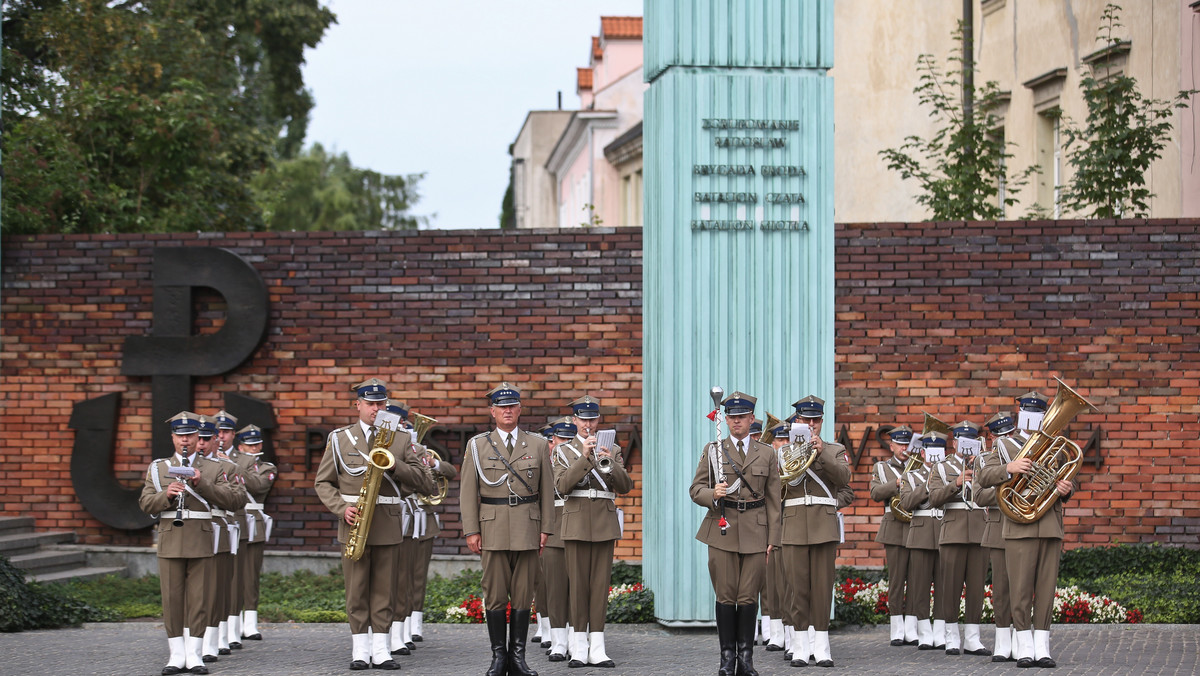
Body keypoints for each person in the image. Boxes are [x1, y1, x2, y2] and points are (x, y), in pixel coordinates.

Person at [314, 378, 436, 671]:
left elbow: (426, 482)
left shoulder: (401, 438)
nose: (376, 409)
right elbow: (323, 482)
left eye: (381, 403)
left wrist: (395, 465)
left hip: (388, 522)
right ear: (357, 405)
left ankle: (381, 649)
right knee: (356, 589)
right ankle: (360, 649)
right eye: (370, 404)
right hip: (354, 522)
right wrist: (341, 509)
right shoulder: (340, 438)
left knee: (385, 589)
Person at [460, 382, 555, 676]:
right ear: (493, 411)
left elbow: (547, 491)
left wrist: (546, 528)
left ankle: (518, 659)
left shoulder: (537, 444)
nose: (507, 411)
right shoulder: (477, 445)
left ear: (520, 409)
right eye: (502, 407)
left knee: (524, 595)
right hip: (492, 528)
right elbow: (467, 491)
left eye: (512, 406)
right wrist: (471, 530)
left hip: (528, 526)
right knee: (496, 594)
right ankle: (498, 658)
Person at [139, 411, 242, 676]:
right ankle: (176, 654)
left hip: (201, 538)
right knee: (172, 599)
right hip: (171, 539)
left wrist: (201, 482)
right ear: (172, 438)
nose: (185, 441)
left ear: (199, 438)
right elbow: (145, 503)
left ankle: (195, 654)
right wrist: (167, 495)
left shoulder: (215, 467)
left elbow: (233, 501)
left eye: (190, 436)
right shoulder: (158, 467)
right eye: (179, 436)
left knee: (200, 599)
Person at [979, 392, 1075, 668]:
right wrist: (1009, 468)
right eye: (1029, 411)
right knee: (1019, 589)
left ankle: (1042, 647)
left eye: (1040, 412)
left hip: (1049, 524)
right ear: (1021, 413)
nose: (1035, 416)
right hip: (1019, 524)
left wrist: (1066, 489)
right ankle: (1023, 646)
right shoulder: (1004, 445)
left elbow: (1067, 476)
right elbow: (983, 477)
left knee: (1046, 589)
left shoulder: (1056, 444)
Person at [689, 391, 781, 676]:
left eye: (742, 416)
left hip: (756, 530)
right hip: (722, 529)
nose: (736, 421)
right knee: (726, 596)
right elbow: (696, 489)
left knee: (749, 596)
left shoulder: (766, 453)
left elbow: (774, 501)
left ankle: (746, 659)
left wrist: (773, 539)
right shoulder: (714, 449)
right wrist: (712, 494)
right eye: (731, 417)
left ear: (752, 419)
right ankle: (727, 659)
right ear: (725, 419)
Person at [553, 394, 634, 668]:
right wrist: (585, 457)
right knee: (577, 586)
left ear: (598, 420)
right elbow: (562, 486)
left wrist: (608, 460)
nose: (588, 424)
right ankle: (578, 647)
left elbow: (625, 487)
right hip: (575, 522)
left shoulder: (613, 449)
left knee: (599, 586)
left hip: (604, 522)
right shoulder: (562, 452)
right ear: (574, 421)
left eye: (593, 419)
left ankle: (597, 647)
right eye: (583, 419)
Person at [778, 395, 850, 668]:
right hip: (794, 523)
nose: (811, 424)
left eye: (815, 420)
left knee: (822, 587)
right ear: (797, 422)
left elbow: (843, 480)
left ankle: (822, 646)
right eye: (806, 420)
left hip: (824, 523)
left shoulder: (835, 449)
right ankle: (799, 647)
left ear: (821, 422)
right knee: (797, 588)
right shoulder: (783, 452)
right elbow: (777, 490)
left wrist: (821, 453)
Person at [927, 420, 989, 656]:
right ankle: (951, 636)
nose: (966, 446)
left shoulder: (984, 464)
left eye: (971, 441)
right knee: (950, 586)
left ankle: (973, 638)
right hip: (952, 530)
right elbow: (933, 498)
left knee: (976, 587)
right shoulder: (941, 467)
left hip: (979, 531)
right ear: (954, 443)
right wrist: (956, 483)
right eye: (962, 441)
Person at [196, 415, 246, 664]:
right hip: (191, 531)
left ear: (217, 440)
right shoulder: (177, 465)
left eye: (206, 439)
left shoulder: (229, 468)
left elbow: (236, 500)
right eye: (199, 438)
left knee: (216, 588)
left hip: (218, 528)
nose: (201, 444)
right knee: (195, 590)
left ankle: (211, 640)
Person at [977, 411, 1023, 662]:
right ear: (992, 436)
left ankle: (1022, 638)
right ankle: (1003, 640)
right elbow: (978, 495)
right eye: (999, 435)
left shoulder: (1028, 449)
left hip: (1022, 521)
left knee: (1023, 586)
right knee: (1002, 589)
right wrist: (1007, 485)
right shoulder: (986, 459)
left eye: (1009, 433)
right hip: (997, 524)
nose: (1004, 438)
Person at [897, 431, 945, 651]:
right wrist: (928, 486)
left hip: (945, 529)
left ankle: (941, 631)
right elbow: (906, 502)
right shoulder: (911, 475)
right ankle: (925, 631)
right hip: (921, 530)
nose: (933, 456)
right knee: (920, 585)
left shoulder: (950, 473)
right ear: (923, 452)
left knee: (945, 585)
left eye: (938, 451)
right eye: (930, 451)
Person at [870, 424, 916, 647]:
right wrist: (896, 483)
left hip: (916, 524)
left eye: (907, 444)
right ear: (891, 445)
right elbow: (875, 493)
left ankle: (913, 627)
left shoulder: (919, 467)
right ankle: (897, 628)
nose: (904, 448)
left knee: (917, 579)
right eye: (900, 444)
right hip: (894, 525)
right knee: (897, 580)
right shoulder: (882, 468)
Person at [233, 424, 276, 642]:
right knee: (231, 575)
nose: (253, 448)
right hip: (234, 520)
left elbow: (258, 486)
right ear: (240, 446)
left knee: (250, 575)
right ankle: (231, 623)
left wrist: (237, 467)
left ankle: (250, 622)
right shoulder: (229, 463)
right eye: (248, 445)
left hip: (254, 521)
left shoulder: (266, 467)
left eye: (257, 444)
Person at [542, 417, 575, 662]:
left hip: (578, 523)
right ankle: (558, 641)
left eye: (569, 439)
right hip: (553, 525)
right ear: (553, 440)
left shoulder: (579, 458)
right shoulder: (543, 460)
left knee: (577, 587)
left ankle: (576, 640)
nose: (565, 443)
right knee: (554, 588)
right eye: (562, 439)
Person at [212, 410, 244, 655]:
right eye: (217, 432)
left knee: (227, 580)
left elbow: (240, 494)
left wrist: (228, 464)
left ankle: (225, 631)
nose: (220, 437)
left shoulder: (239, 460)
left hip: (229, 523)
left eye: (224, 432)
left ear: (233, 434)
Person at [761, 418, 791, 654]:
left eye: (787, 439)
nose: (783, 444)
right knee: (771, 584)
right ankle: (775, 634)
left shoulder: (797, 463)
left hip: (792, 526)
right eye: (779, 440)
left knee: (789, 584)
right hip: (770, 527)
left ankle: (791, 633)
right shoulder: (768, 465)